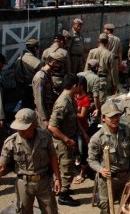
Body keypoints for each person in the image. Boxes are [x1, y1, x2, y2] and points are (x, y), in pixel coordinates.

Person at [0, 108, 61, 214]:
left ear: (33, 125)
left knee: (51, 211)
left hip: (44, 182)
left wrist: (57, 178)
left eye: (24, 128)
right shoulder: (11, 142)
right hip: (23, 184)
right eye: (18, 128)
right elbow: (1, 167)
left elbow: (53, 156)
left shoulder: (45, 136)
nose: (20, 131)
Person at [87, 103, 130, 214]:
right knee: (106, 207)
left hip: (125, 178)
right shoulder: (97, 138)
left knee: (127, 206)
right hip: (108, 180)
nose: (115, 119)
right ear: (103, 118)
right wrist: (101, 170)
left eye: (117, 116)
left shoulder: (126, 130)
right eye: (112, 117)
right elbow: (91, 160)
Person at [48, 73, 81, 206]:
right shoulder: (63, 102)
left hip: (69, 138)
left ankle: (63, 188)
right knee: (66, 167)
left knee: (68, 166)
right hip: (62, 142)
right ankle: (63, 195)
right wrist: (66, 139)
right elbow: (52, 126)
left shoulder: (70, 99)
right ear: (74, 86)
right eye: (79, 86)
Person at [32, 51, 64, 129]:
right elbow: (39, 100)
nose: (60, 66)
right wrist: (44, 119)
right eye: (59, 64)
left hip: (50, 109)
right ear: (53, 62)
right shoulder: (40, 78)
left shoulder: (48, 74)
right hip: (44, 112)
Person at [14, 38, 42, 109]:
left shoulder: (19, 59)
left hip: (20, 89)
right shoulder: (37, 62)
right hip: (32, 91)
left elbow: (16, 75)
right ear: (35, 48)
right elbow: (40, 80)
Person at [103, 23, 122, 95]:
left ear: (108, 30)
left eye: (105, 29)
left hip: (106, 59)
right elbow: (120, 52)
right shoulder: (118, 39)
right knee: (114, 76)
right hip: (115, 59)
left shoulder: (104, 39)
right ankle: (115, 91)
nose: (104, 30)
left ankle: (106, 92)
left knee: (105, 75)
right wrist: (120, 62)